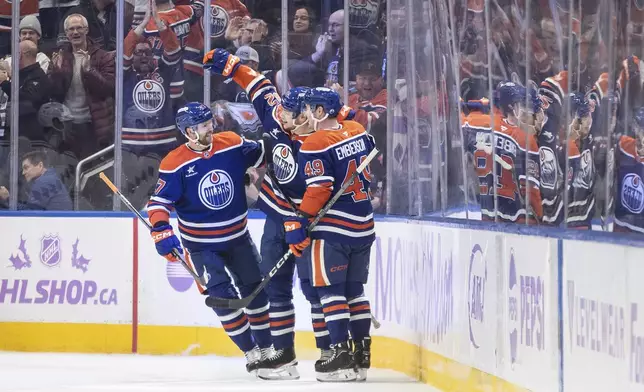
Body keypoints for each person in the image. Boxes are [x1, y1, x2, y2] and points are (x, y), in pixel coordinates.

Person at [203, 47, 332, 380]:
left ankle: (329, 352)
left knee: (315, 288)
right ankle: (283, 355)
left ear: (309, 113)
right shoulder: (279, 114)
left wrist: (304, 221)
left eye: (292, 112)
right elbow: (259, 86)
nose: (284, 116)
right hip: (277, 215)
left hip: (310, 224)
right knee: (274, 287)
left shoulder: (322, 139)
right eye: (285, 111)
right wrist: (232, 66)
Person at [146, 102, 272, 374]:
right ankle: (251, 351)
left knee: (256, 291)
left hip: (238, 238)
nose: (211, 128)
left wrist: (279, 137)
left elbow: (265, 153)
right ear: (189, 131)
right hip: (201, 247)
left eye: (210, 123)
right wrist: (161, 231)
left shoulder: (231, 143)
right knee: (222, 298)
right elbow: (158, 203)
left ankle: (268, 349)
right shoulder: (175, 162)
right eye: (204, 125)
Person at [283, 87, 376, 382]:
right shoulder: (357, 129)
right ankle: (362, 354)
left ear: (321, 112)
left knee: (331, 292)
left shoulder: (315, 142)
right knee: (354, 291)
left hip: (334, 229)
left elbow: (319, 188)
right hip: (364, 224)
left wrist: (302, 220)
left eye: (310, 108)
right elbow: (365, 142)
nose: (306, 113)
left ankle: (339, 354)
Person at [0, 151, 72, 210]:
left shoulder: (44, 182)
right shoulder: (51, 178)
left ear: (40, 166)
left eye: (26, 168)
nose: (23, 172)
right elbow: (33, 207)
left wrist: (7, 198)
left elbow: (30, 213)